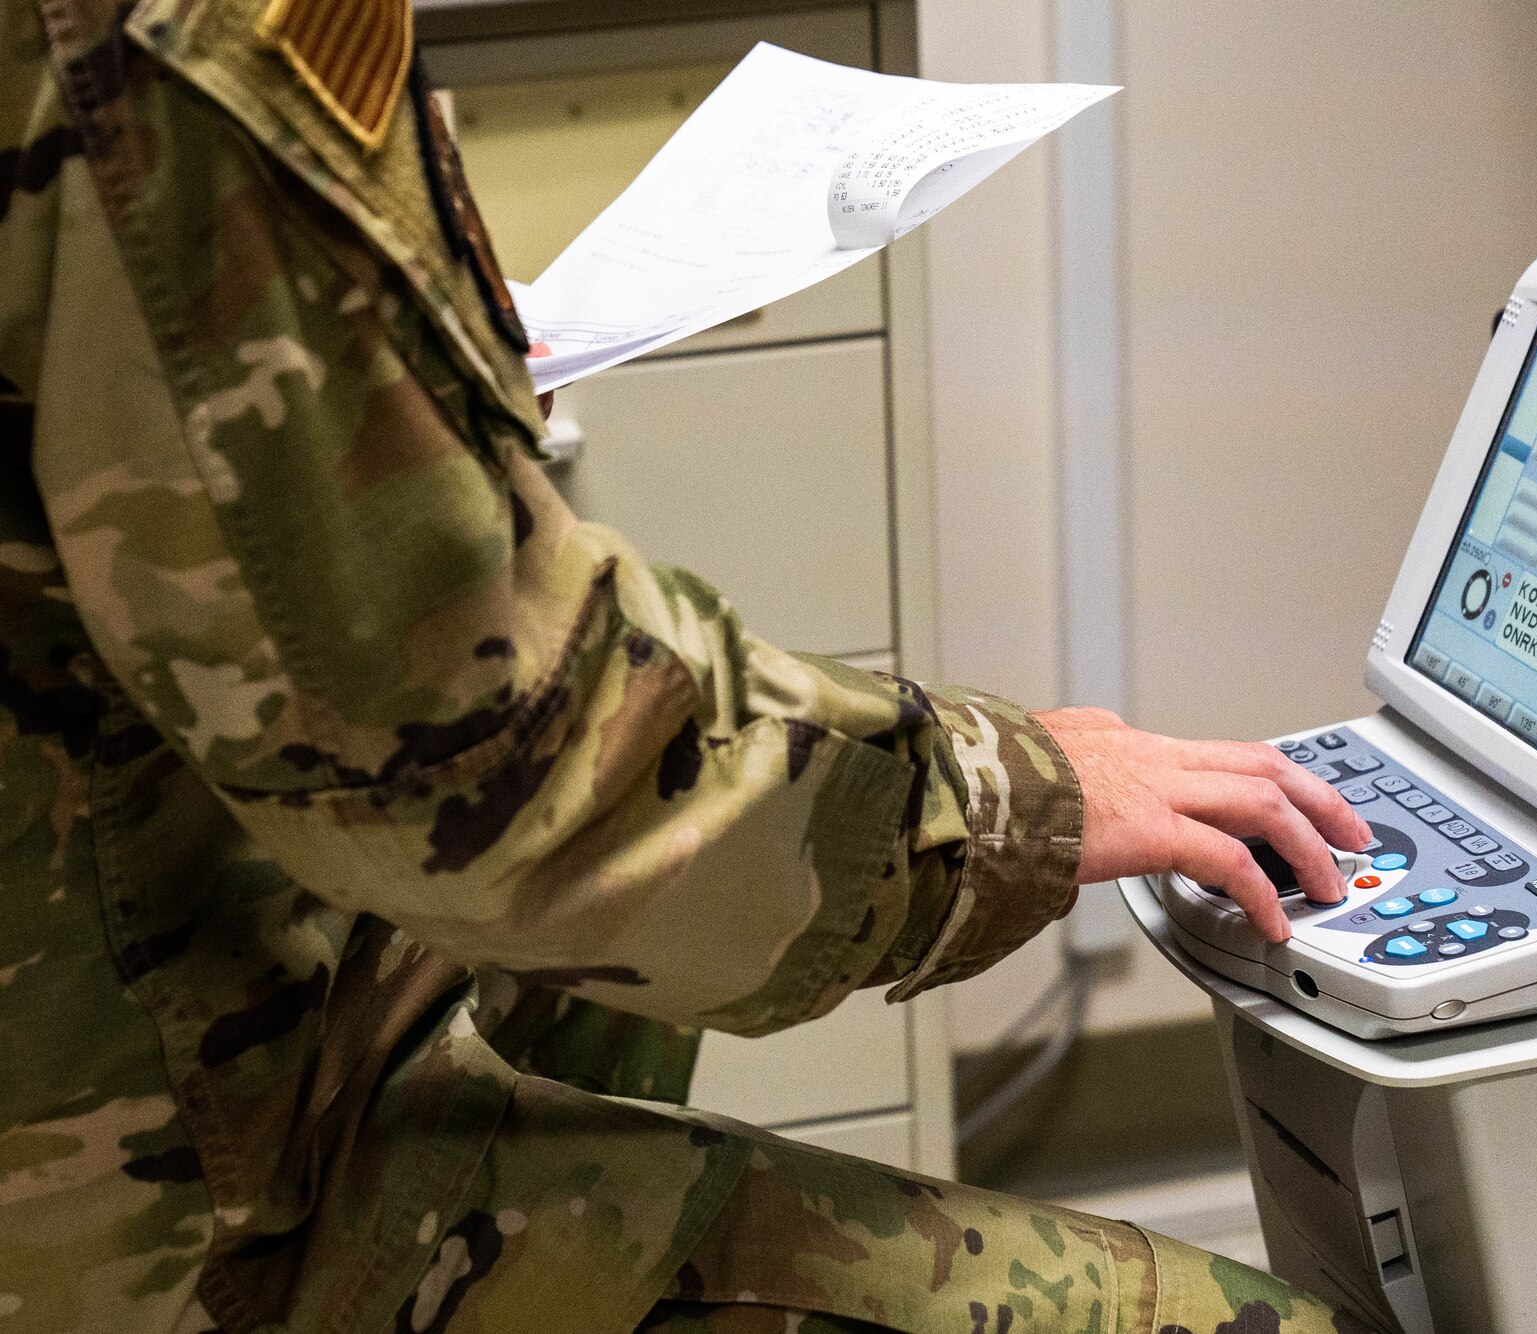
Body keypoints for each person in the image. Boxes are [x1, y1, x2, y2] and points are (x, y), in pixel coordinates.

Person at [0, 1, 1373, 1330]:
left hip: (159, 981)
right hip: (169, 1223)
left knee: (600, 1021)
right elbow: (502, 773)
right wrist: (1017, 795)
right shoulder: (149, 32)